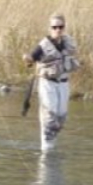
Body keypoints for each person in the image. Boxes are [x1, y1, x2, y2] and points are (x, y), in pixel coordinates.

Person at [23, 13, 79, 152]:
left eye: (61, 27)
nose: (58, 30)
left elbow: (72, 56)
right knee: (50, 115)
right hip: (48, 84)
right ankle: (46, 151)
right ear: (50, 28)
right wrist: (27, 59)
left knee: (61, 116)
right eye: (55, 27)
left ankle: (51, 147)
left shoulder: (68, 42)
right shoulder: (43, 45)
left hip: (63, 84)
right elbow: (32, 58)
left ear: (64, 27)